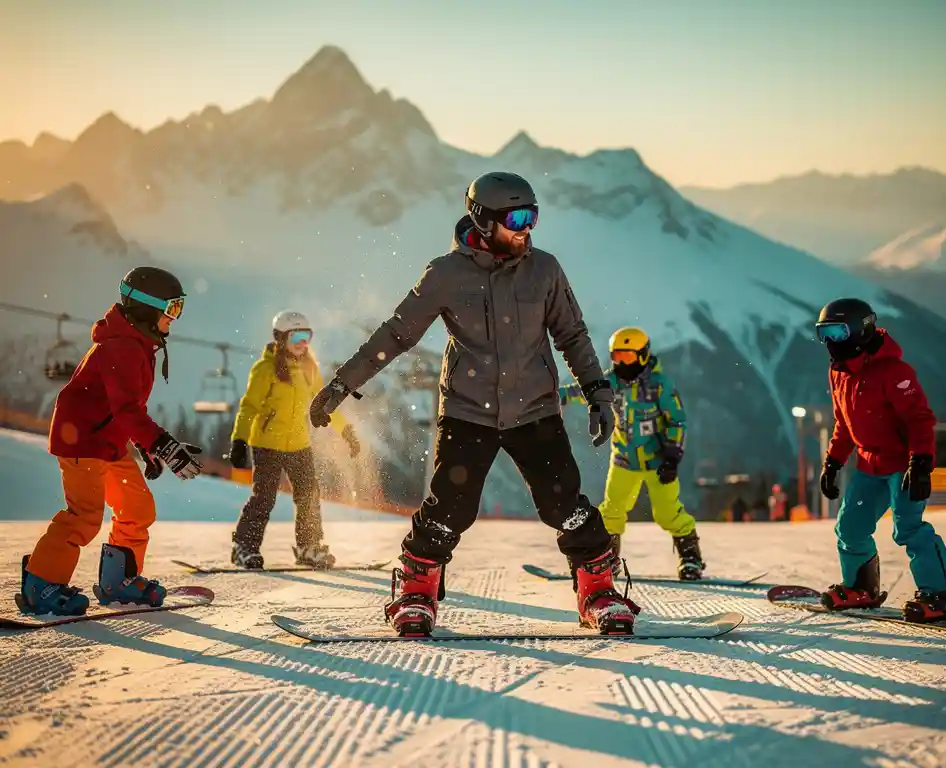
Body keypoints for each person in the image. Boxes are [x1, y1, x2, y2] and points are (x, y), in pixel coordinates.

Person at [309, 171, 639, 636]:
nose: (527, 228)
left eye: (533, 216)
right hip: (469, 412)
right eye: (517, 218)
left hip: (534, 409)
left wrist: (597, 393)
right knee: (450, 508)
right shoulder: (446, 274)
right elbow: (397, 333)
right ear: (483, 221)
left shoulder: (544, 269)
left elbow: (572, 334)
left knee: (563, 503)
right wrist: (343, 384)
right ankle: (417, 594)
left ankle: (599, 590)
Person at [19, 267, 204, 616]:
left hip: (107, 442)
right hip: (83, 441)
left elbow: (124, 410)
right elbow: (125, 410)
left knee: (137, 510)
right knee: (85, 516)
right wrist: (162, 444)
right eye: (172, 309)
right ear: (149, 308)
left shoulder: (137, 343)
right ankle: (40, 585)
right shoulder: (122, 347)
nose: (174, 319)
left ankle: (118, 582)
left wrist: (147, 446)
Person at [815, 298, 946, 623]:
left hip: (903, 465)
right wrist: (833, 462)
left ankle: (942, 593)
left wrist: (921, 462)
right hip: (869, 466)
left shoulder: (895, 372)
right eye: (824, 333)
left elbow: (919, 419)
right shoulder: (838, 373)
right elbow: (843, 423)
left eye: (838, 332)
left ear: (860, 330)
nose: (830, 342)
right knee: (849, 528)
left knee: (908, 528)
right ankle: (861, 587)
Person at [559, 327, 706, 579]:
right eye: (616, 357)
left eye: (628, 357)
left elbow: (677, 421)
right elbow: (582, 391)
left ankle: (691, 556)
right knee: (612, 511)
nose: (621, 364)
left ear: (643, 355)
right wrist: (552, 396)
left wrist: (672, 457)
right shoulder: (612, 382)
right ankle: (608, 558)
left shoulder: (659, 387)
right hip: (624, 460)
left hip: (658, 461)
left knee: (668, 512)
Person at [228, 310, 361, 569]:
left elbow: (323, 406)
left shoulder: (310, 368)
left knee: (308, 494)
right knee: (264, 497)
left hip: (299, 443)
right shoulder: (265, 369)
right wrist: (239, 440)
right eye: (296, 336)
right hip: (267, 443)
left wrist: (346, 431)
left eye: (307, 336)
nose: (303, 342)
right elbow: (249, 408)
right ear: (280, 338)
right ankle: (244, 547)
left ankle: (308, 547)